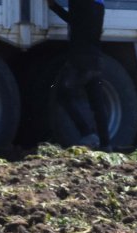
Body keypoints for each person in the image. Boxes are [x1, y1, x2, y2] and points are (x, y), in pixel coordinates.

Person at [47, 0, 110, 149]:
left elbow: (74, 21)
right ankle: (106, 144)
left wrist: (54, 7)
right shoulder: (99, 6)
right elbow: (81, 22)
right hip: (95, 58)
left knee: (63, 94)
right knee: (98, 104)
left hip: (79, 60)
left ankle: (87, 133)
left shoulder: (79, 3)